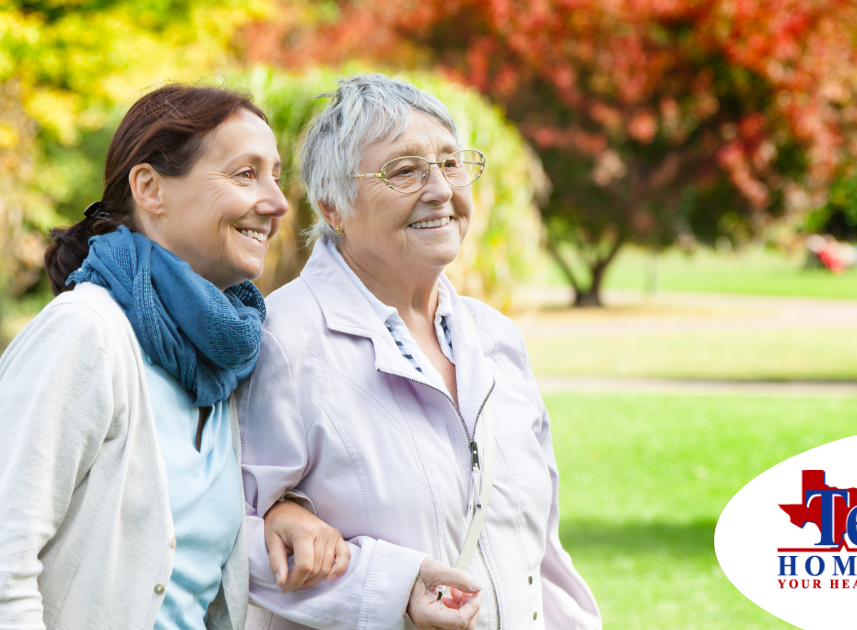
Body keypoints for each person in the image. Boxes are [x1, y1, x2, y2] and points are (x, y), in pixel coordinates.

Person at [0, 84, 348, 630]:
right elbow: (0, 582)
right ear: (150, 189)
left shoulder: (229, 354)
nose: (278, 203)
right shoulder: (84, 335)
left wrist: (288, 512)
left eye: (275, 176)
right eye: (244, 174)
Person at [240, 74, 602, 629]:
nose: (440, 190)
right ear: (332, 206)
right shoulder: (283, 341)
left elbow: (537, 552)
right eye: (404, 170)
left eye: (451, 163)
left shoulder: (496, 338)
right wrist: (392, 586)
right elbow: (227, 537)